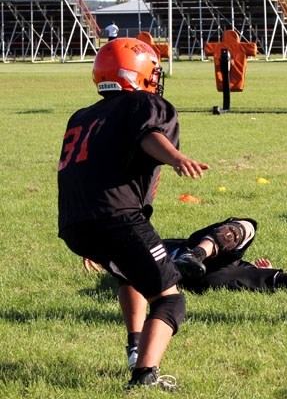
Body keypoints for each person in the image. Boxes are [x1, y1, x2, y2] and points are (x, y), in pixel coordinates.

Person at [57, 37, 209, 391]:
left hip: (76, 221)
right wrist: (175, 158)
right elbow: (148, 134)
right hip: (117, 216)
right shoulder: (144, 102)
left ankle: (133, 346)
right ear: (137, 73)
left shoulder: (82, 116)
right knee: (171, 299)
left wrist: (87, 240)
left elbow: (79, 172)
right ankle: (144, 378)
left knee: (131, 276)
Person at [83, 217, 287, 370]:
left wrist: (102, 253)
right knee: (247, 227)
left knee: (264, 277)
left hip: (201, 275)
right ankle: (196, 254)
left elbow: (128, 257)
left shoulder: (149, 245)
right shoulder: (158, 244)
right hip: (189, 265)